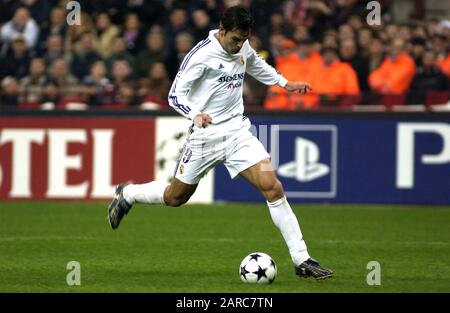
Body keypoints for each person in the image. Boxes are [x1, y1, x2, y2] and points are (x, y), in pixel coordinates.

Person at [107, 5, 333, 280]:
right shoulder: (201, 55)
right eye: (235, 40)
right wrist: (195, 114)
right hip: (204, 137)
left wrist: (284, 83)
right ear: (222, 30)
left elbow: (256, 64)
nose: (239, 46)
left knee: (273, 187)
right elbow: (175, 95)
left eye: (243, 40)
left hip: (238, 133)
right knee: (175, 197)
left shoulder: (242, 47)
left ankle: (302, 260)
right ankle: (128, 194)